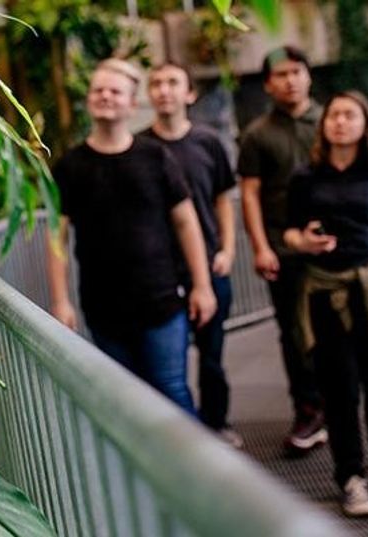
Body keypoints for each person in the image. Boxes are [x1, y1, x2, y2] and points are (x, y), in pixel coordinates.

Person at [46, 58, 217, 416]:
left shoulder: (156, 157)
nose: (105, 96)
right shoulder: (70, 166)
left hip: (162, 303)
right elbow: (55, 238)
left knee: (171, 390)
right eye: (98, 90)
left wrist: (202, 285)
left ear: (131, 102)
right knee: (124, 402)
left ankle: (192, 469)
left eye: (114, 91)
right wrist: (60, 301)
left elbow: (187, 223)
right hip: (103, 308)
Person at [284, 90, 368, 518]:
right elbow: (288, 232)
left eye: (349, 115)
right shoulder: (306, 176)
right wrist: (302, 241)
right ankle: (350, 477)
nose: (340, 121)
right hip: (324, 291)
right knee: (338, 386)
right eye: (334, 115)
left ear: (365, 125)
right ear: (324, 125)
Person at [139, 62, 241, 446]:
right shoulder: (139, 147)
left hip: (210, 266)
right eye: (157, 84)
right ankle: (180, 438)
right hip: (161, 274)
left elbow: (222, 201)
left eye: (172, 82)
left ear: (189, 94)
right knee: (168, 363)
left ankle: (217, 424)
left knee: (212, 355)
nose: (164, 90)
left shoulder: (208, 142)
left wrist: (227, 250)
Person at [238, 46, 326, 455]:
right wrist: (260, 246)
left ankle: (343, 411)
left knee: (338, 330)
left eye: (297, 71)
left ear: (308, 75)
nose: (290, 80)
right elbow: (250, 195)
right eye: (281, 74)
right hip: (281, 249)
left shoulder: (332, 121)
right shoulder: (257, 134)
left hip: (331, 246)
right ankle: (308, 412)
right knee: (293, 333)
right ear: (269, 84)